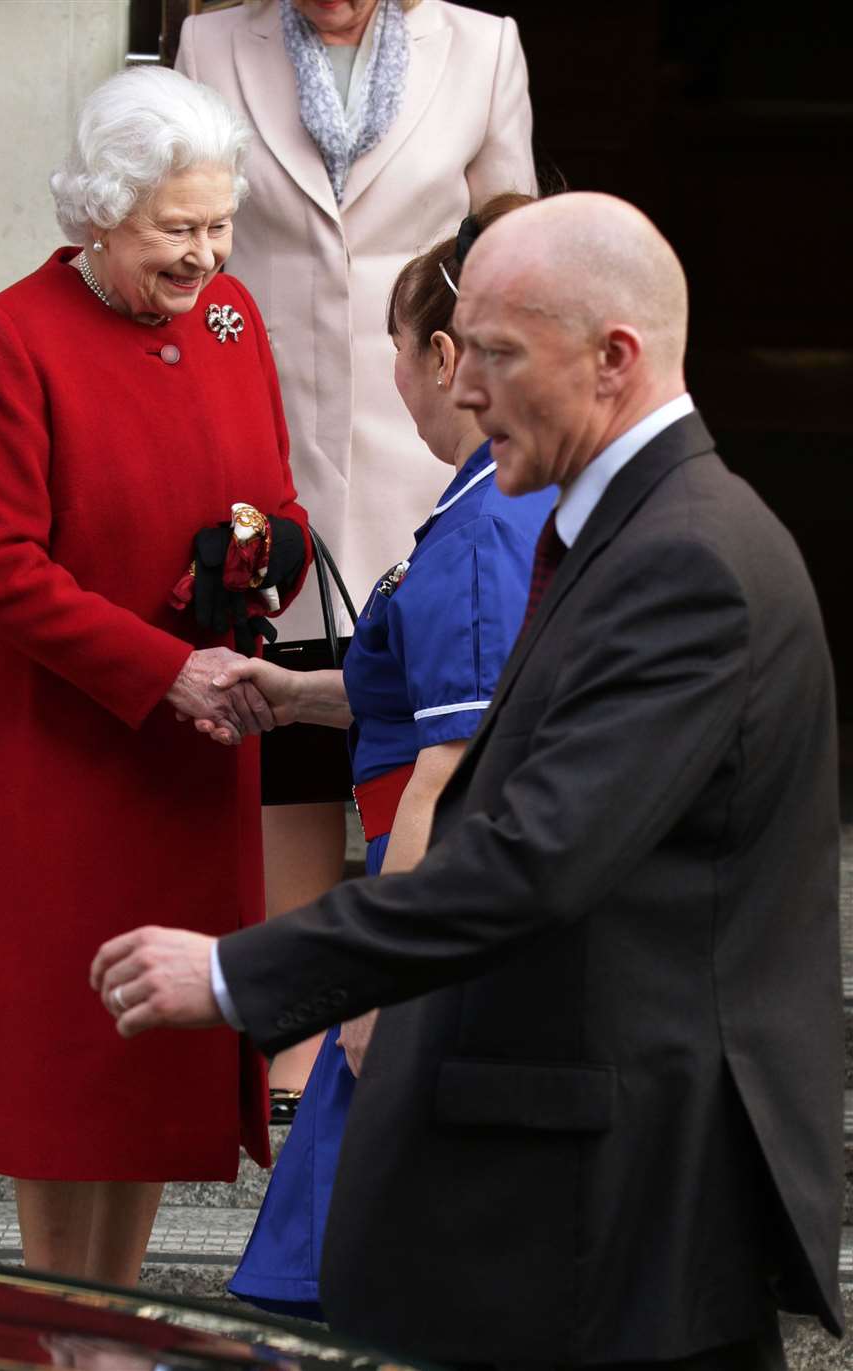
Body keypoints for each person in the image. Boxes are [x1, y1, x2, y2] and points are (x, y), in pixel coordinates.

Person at [91, 192, 844, 1369]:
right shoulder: (620, 526)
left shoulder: (685, 557)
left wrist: (244, 971)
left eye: (496, 352)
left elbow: (534, 855)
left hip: (630, 1196)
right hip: (585, 1177)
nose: (468, 385)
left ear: (615, 359)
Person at [0, 66, 308, 1288]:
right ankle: (59, 1319)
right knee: (66, 1053)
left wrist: (268, 555)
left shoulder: (231, 319)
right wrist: (167, 671)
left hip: (189, 754)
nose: (208, 255)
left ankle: (117, 1315)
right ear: (99, 211)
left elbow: (276, 494)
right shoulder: (10, 335)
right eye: (177, 229)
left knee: (160, 1041)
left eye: (219, 224)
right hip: (61, 753)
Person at [198, 192, 553, 1318]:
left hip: (425, 913)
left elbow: (456, 760)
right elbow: (404, 692)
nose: (393, 376)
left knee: (337, 1272)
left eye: (396, 351)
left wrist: (381, 976)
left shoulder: (487, 520)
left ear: (444, 357)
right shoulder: (477, 507)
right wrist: (293, 693)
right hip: (430, 911)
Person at [176, 0, 538, 1099]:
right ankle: (295, 1018)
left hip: (426, 420)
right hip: (257, 426)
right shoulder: (209, 44)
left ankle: (379, 1002)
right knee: (282, 718)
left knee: (408, 706)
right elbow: (179, 227)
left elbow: (515, 241)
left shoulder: (483, 45)